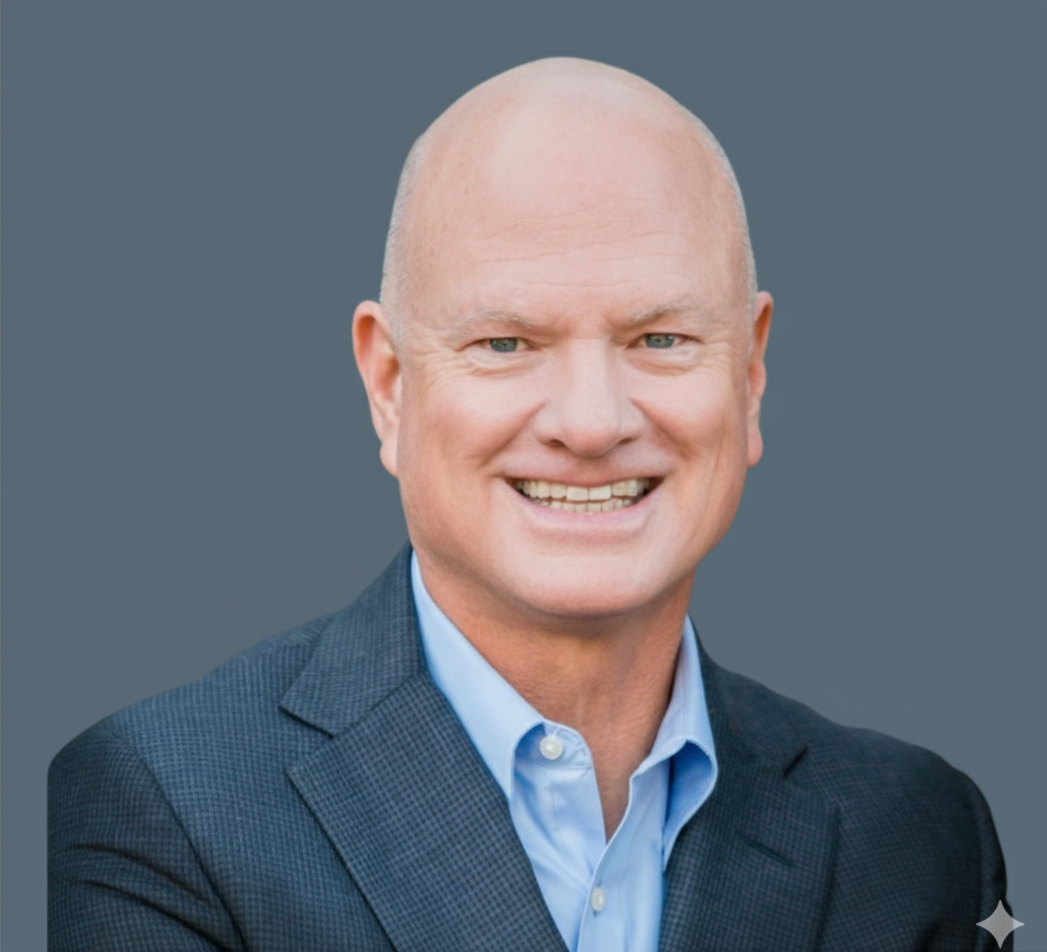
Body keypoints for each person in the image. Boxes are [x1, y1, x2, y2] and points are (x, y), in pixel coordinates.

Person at [48, 58, 1012, 951]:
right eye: (506, 343)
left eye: (661, 338)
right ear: (389, 384)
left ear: (751, 374)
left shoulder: (915, 834)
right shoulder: (171, 808)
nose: (591, 424)